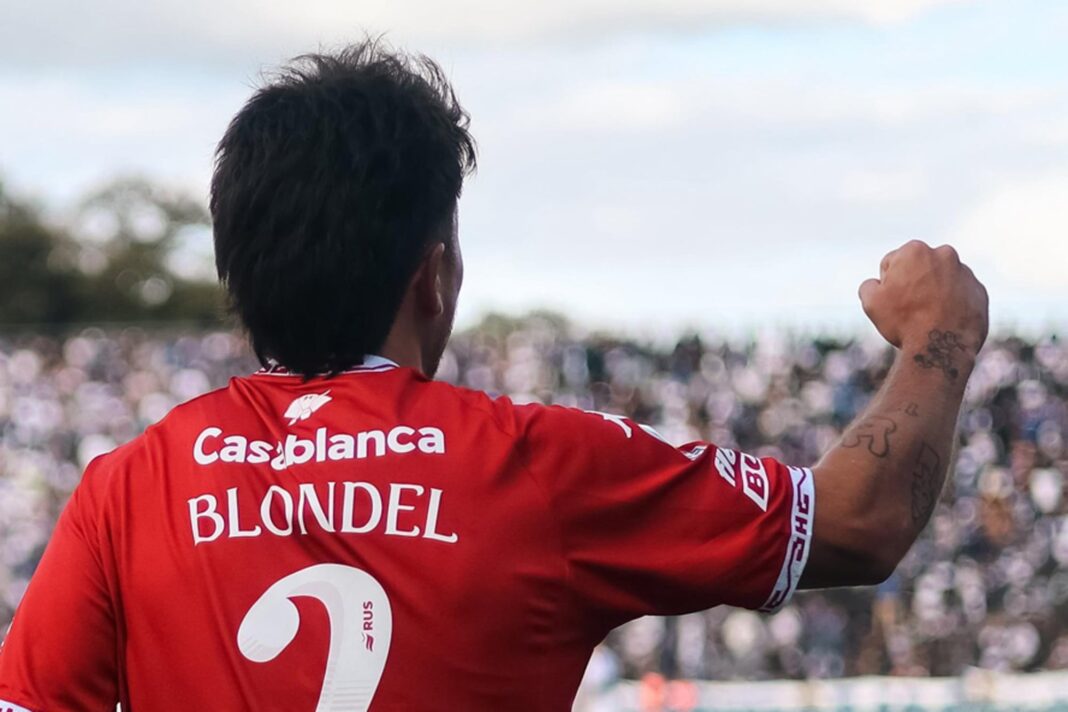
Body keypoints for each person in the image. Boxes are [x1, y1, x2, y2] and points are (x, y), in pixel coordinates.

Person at [0, 40, 989, 711]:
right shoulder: (538, 463)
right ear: (434, 277)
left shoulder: (125, 491)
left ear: (238, 278)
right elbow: (856, 522)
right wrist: (939, 335)